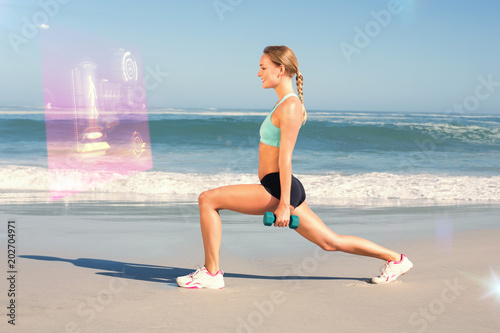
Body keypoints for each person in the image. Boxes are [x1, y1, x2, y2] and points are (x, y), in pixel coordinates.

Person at [176, 45, 413, 289]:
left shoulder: (290, 106)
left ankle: (212, 274)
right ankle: (396, 259)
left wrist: (283, 204)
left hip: (278, 188)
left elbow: (286, 158)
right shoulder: (284, 103)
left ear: (280, 69)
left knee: (207, 199)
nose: (259, 73)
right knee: (330, 242)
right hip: (279, 186)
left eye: (263, 67)